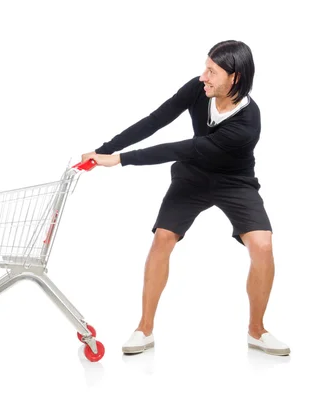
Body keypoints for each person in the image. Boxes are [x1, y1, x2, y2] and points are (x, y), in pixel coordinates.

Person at [81, 40, 290, 356]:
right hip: (193, 176)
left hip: (235, 181)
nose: (203, 76)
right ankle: (145, 329)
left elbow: (184, 148)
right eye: (205, 67)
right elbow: (156, 119)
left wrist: (122, 160)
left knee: (263, 245)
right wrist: (106, 149)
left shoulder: (247, 123)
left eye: (211, 71)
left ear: (234, 77)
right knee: (163, 238)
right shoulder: (199, 89)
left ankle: (257, 331)